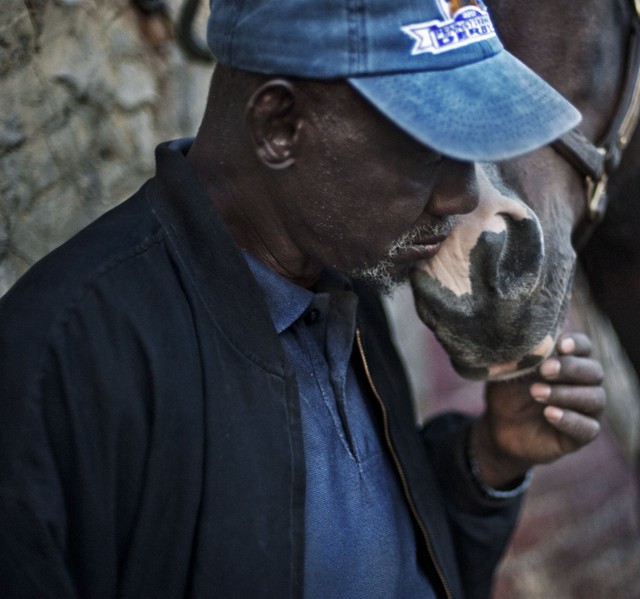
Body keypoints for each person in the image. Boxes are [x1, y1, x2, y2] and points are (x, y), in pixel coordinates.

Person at [0, 0, 605, 597]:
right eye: (425, 147)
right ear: (279, 126)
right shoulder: (62, 359)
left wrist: (487, 462)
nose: (460, 197)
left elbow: (383, 565)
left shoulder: (346, 282)